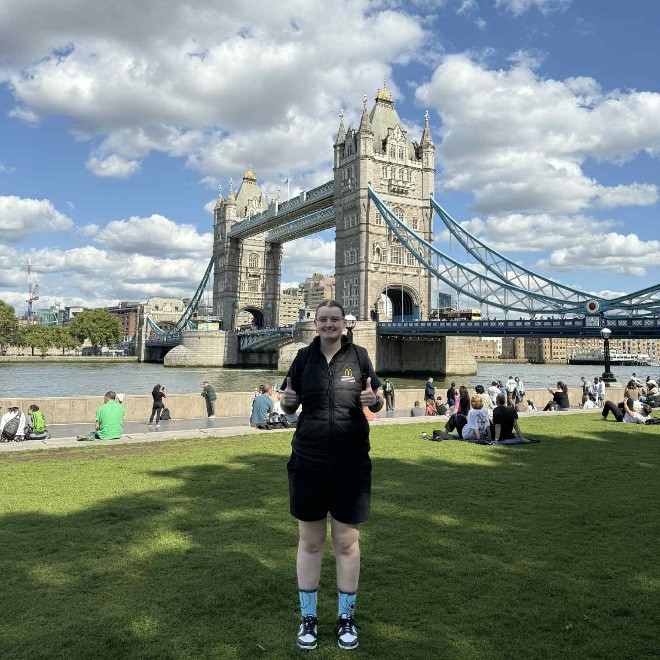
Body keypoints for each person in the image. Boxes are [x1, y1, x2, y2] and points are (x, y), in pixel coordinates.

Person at [279, 300, 383, 651]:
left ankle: (345, 617)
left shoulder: (360, 356)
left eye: (334, 319)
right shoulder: (302, 358)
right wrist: (288, 402)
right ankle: (308, 617)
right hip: (308, 459)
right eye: (323, 319)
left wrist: (373, 400)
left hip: (350, 461)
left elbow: (376, 399)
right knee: (310, 542)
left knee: (347, 542)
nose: (329, 324)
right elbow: (289, 403)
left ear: (344, 323)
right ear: (315, 323)